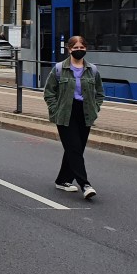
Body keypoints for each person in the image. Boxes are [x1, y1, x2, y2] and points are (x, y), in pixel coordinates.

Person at [44, 35, 103, 199]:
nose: (79, 50)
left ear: (86, 49)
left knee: (75, 149)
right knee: (74, 148)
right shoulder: (58, 69)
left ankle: (62, 180)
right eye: (75, 48)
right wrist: (55, 110)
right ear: (69, 49)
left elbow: (99, 92)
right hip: (65, 113)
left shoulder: (92, 69)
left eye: (81, 48)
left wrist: (95, 108)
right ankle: (85, 184)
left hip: (85, 112)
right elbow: (49, 92)